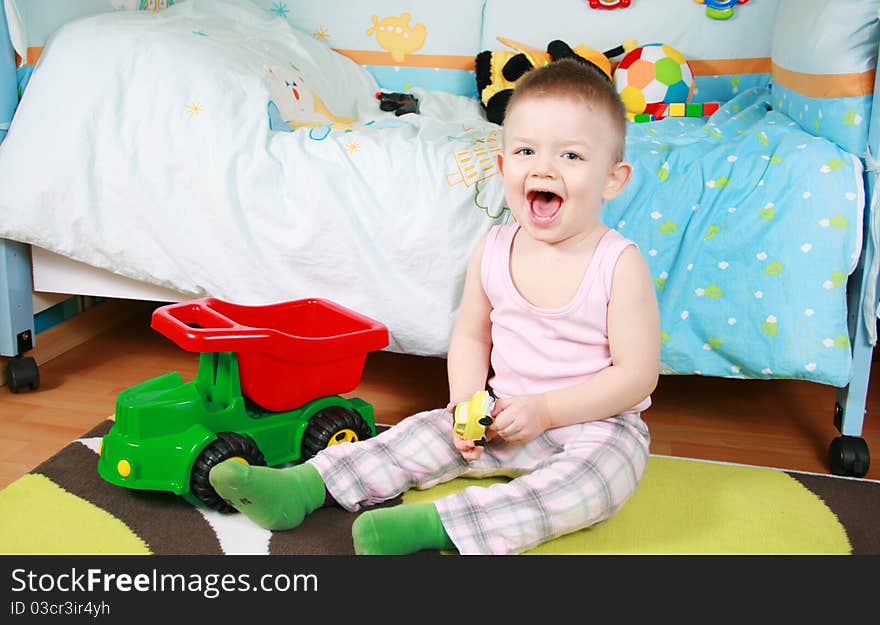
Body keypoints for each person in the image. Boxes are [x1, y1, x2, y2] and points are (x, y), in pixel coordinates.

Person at [208, 58, 661, 555]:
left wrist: (550, 410)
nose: (544, 167)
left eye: (571, 156)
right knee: (415, 435)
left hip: (596, 425)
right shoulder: (493, 248)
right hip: (502, 413)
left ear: (613, 179)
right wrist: (466, 403)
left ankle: (436, 528)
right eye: (526, 150)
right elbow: (471, 336)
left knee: (594, 483)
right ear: (504, 163)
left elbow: (637, 375)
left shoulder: (618, 263)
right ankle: (301, 486)